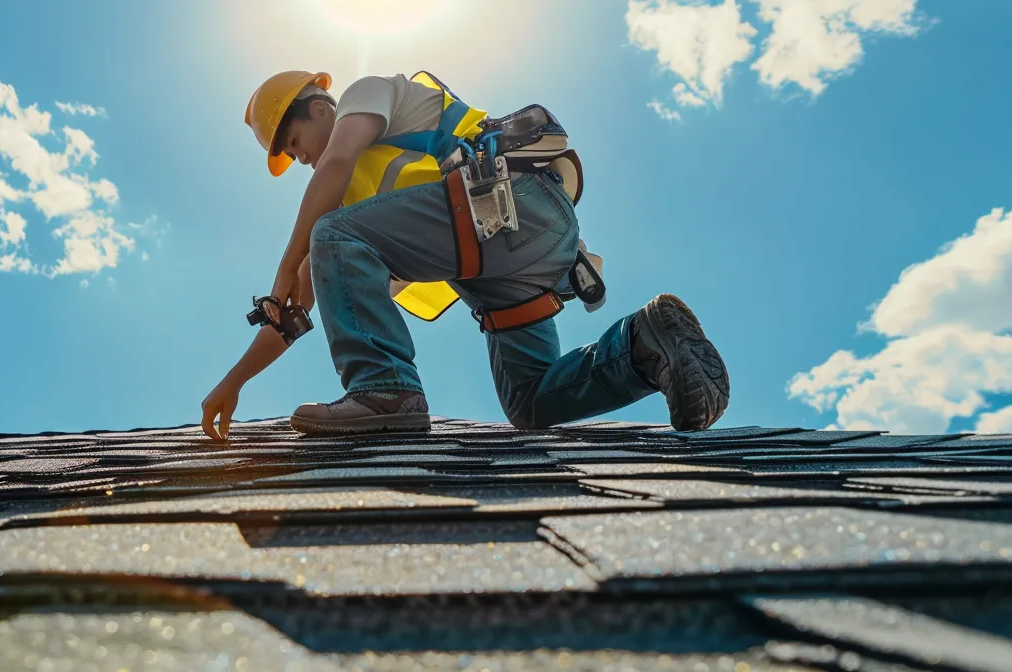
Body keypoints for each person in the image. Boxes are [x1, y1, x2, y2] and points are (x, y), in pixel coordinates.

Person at [200, 70, 729, 440]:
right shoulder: (351, 224)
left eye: (295, 143)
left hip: (511, 203)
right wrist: (233, 382)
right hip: (523, 254)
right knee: (529, 402)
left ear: (320, 108)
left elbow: (334, 164)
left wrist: (283, 269)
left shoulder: (368, 95)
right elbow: (297, 311)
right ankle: (646, 345)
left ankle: (385, 390)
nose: (301, 160)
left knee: (329, 234)